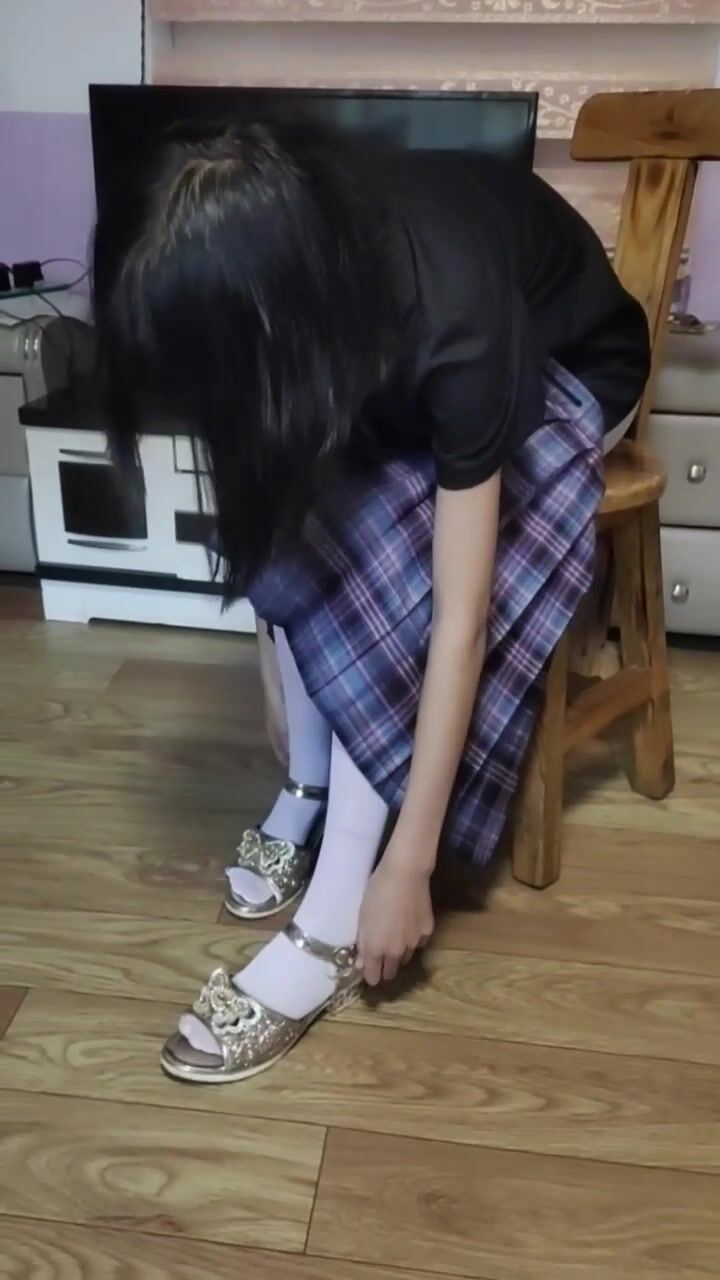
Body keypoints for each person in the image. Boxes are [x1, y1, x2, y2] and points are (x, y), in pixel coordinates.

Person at [94, 121, 650, 1085]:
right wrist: (276, 670)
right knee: (320, 493)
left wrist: (410, 864)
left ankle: (333, 913)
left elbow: (458, 617)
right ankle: (310, 789)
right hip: (388, 354)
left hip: (573, 369)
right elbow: (262, 481)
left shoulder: (451, 314)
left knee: (391, 553)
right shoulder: (285, 265)